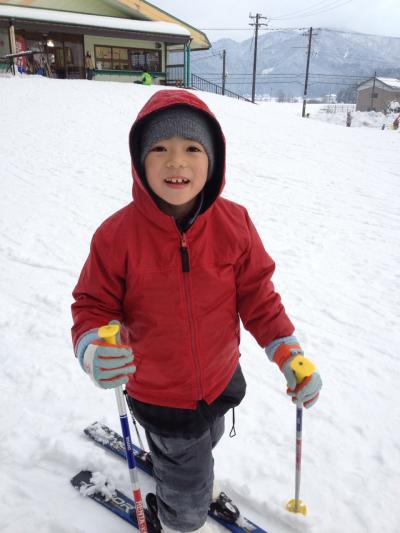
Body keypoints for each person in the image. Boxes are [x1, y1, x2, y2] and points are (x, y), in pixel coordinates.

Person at [71, 89, 322, 533]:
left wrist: (287, 350)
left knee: (208, 438)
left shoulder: (235, 223)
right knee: (189, 504)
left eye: (192, 148)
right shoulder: (116, 236)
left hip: (220, 380)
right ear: (139, 160)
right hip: (160, 394)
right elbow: (93, 303)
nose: (176, 162)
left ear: (213, 159)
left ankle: (183, 471)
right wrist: (92, 346)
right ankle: (177, 514)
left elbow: (258, 296)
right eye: (160, 149)